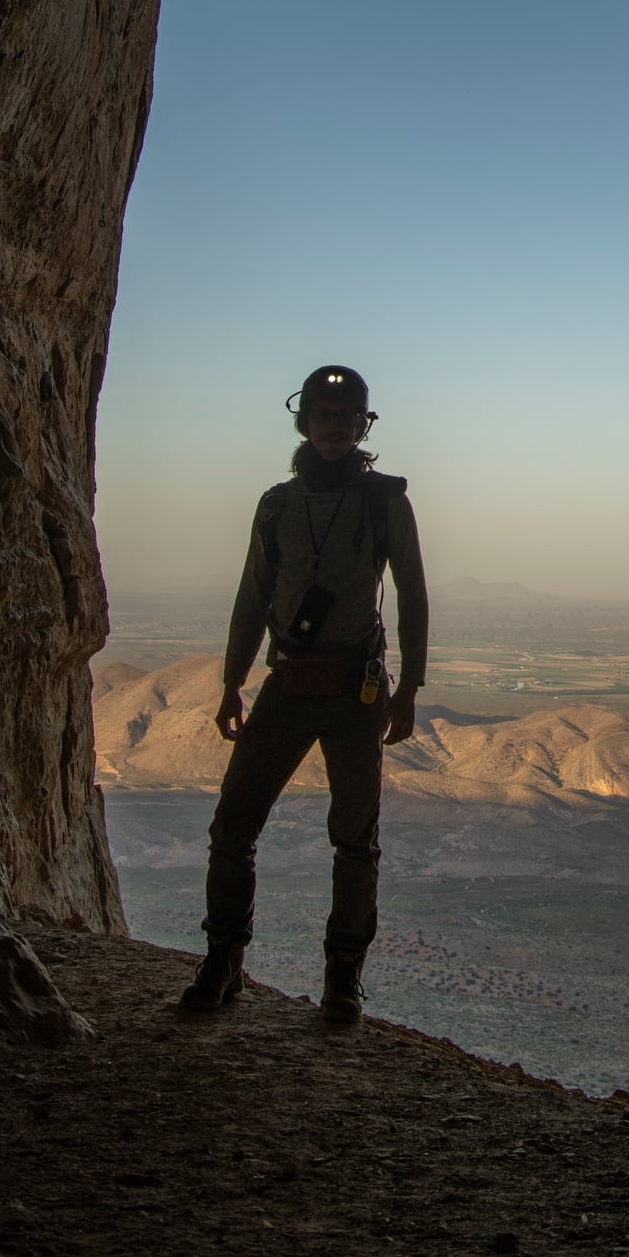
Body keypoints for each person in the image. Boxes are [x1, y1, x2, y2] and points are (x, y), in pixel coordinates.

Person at [178, 365, 428, 1023]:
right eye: (323, 415)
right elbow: (253, 596)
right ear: (305, 420)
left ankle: (344, 978)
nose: (334, 426)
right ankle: (224, 960)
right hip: (285, 684)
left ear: (361, 426)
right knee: (233, 825)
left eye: (345, 418)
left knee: (354, 839)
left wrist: (409, 691)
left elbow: (413, 595)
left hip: (356, 688)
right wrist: (233, 681)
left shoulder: (385, 502)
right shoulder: (276, 506)